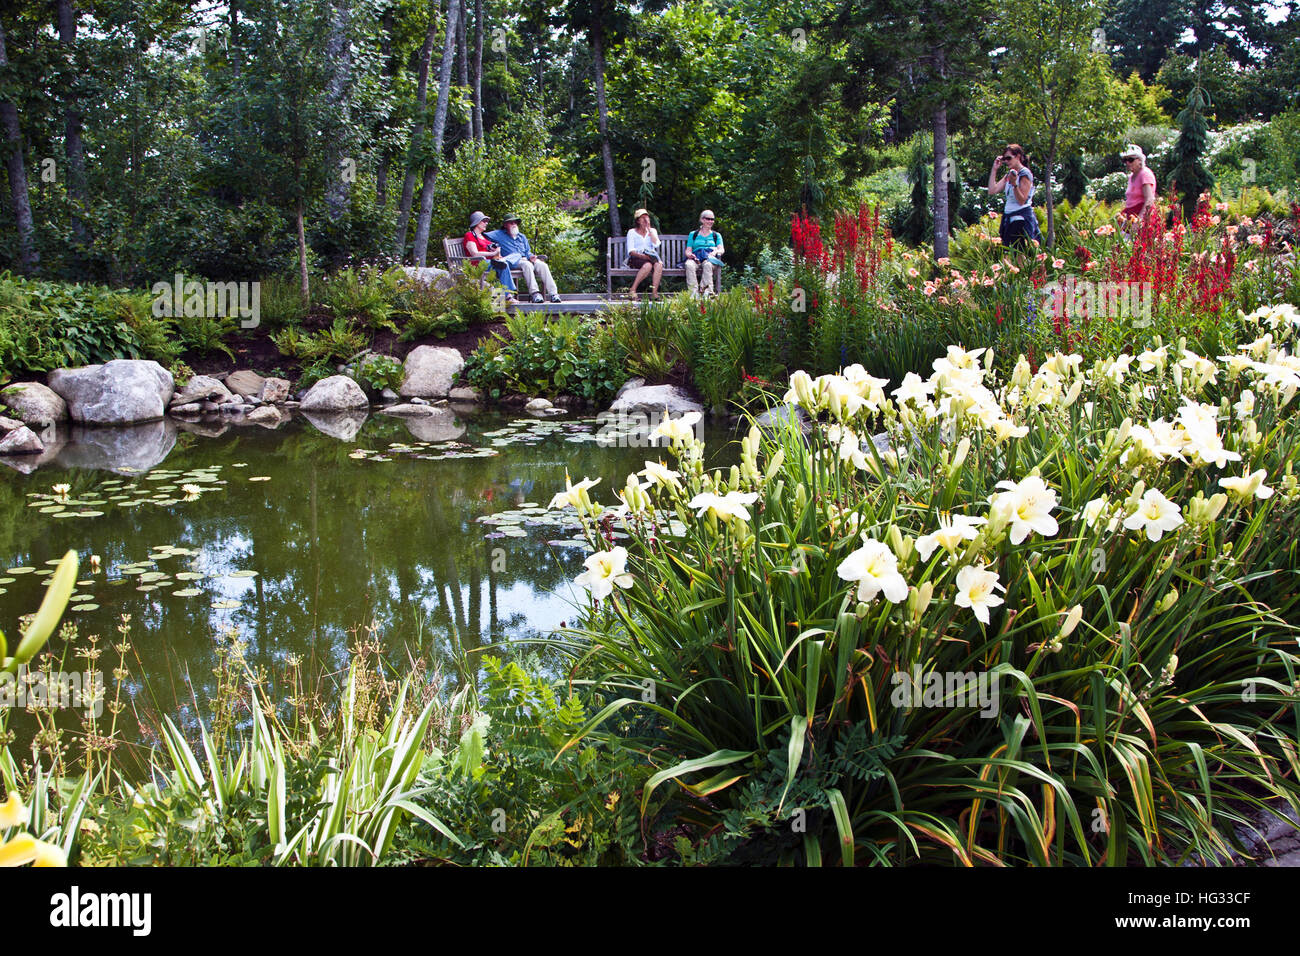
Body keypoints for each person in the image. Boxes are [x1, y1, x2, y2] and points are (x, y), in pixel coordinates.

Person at [487, 213, 561, 304]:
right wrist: (491, 247)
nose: (514, 224)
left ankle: (554, 294)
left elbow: (527, 251)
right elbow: (482, 235)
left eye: (515, 222)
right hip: (513, 262)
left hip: (526, 259)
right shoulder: (498, 234)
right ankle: (535, 293)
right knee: (527, 264)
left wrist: (531, 256)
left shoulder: (522, 237)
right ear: (505, 225)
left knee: (543, 265)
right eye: (511, 223)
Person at [987, 144, 1041, 248]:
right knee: (1008, 253)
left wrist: (1015, 184)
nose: (1006, 161)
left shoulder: (1024, 173)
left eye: (1008, 158)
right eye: (1004, 159)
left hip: (1021, 218)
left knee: (1020, 254)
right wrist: (994, 169)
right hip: (1009, 216)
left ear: (1018, 156)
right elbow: (992, 190)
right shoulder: (1009, 175)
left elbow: (1022, 200)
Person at [463, 211, 518, 304]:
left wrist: (496, 251)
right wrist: (493, 254)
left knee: (509, 260)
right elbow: (474, 254)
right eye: (484, 221)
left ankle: (499, 305)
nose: (486, 223)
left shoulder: (483, 237)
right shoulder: (470, 235)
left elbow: (491, 249)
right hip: (479, 264)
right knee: (502, 265)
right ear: (477, 222)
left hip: (490, 263)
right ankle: (508, 296)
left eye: (486, 221)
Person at [684, 209, 725, 296]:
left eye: (712, 219)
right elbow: (688, 250)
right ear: (702, 220)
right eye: (708, 219)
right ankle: (693, 294)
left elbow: (721, 249)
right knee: (689, 265)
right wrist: (690, 255)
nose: (711, 221)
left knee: (708, 265)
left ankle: (706, 293)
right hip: (696, 258)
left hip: (709, 258)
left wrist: (715, 252)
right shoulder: (693, 234)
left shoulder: (716, 235)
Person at [625, 207, 663, 300]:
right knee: (648, 266)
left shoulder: (652, 231)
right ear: (638, 221)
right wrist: (643, 257)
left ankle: (654, 293)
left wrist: (649, 230)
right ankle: (632, 290)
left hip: (650, 256)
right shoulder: (632, 232)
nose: (645, 220)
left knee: (659, 265)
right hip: (637, 257)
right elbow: (631, 251)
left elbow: (656, 244)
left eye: (647, 217)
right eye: (643, 218)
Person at [1119, 144, 1157, 229]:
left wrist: (1139, 221)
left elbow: (1149, 200)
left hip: (1142, 215)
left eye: (1130, 159)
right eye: (1125, 160)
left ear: (1140, 160)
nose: (1127, 163)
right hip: (1131, 214)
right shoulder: (1131, 176)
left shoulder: (1145, 174)